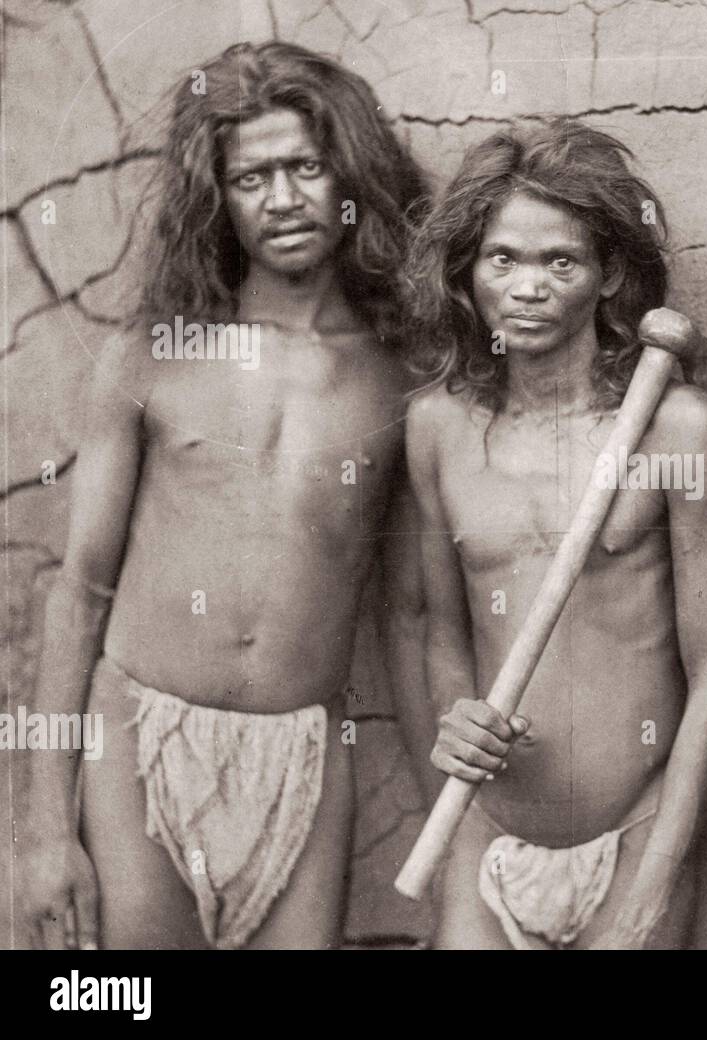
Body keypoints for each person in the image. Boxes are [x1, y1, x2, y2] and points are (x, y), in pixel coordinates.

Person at [18, 41, 427, 950]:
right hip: (138, 737)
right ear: (218, 198)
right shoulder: (153, 354)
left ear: (349, 174)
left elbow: (413, 610)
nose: (282, 199)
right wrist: (44, 833)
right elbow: (79, 592)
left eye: (307, 167)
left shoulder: (397, 377)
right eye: (252, 178)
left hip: (304, 756)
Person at [385, 118, 707, 948]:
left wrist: (662, 870)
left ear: (609, 273)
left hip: (633, 832)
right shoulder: (438, 426)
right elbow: (433, 626)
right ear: (467, 273)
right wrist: (454, 727)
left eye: (562, 260)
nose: (528, 287)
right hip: (483, 828)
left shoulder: (676, 428)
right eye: (503, 259)